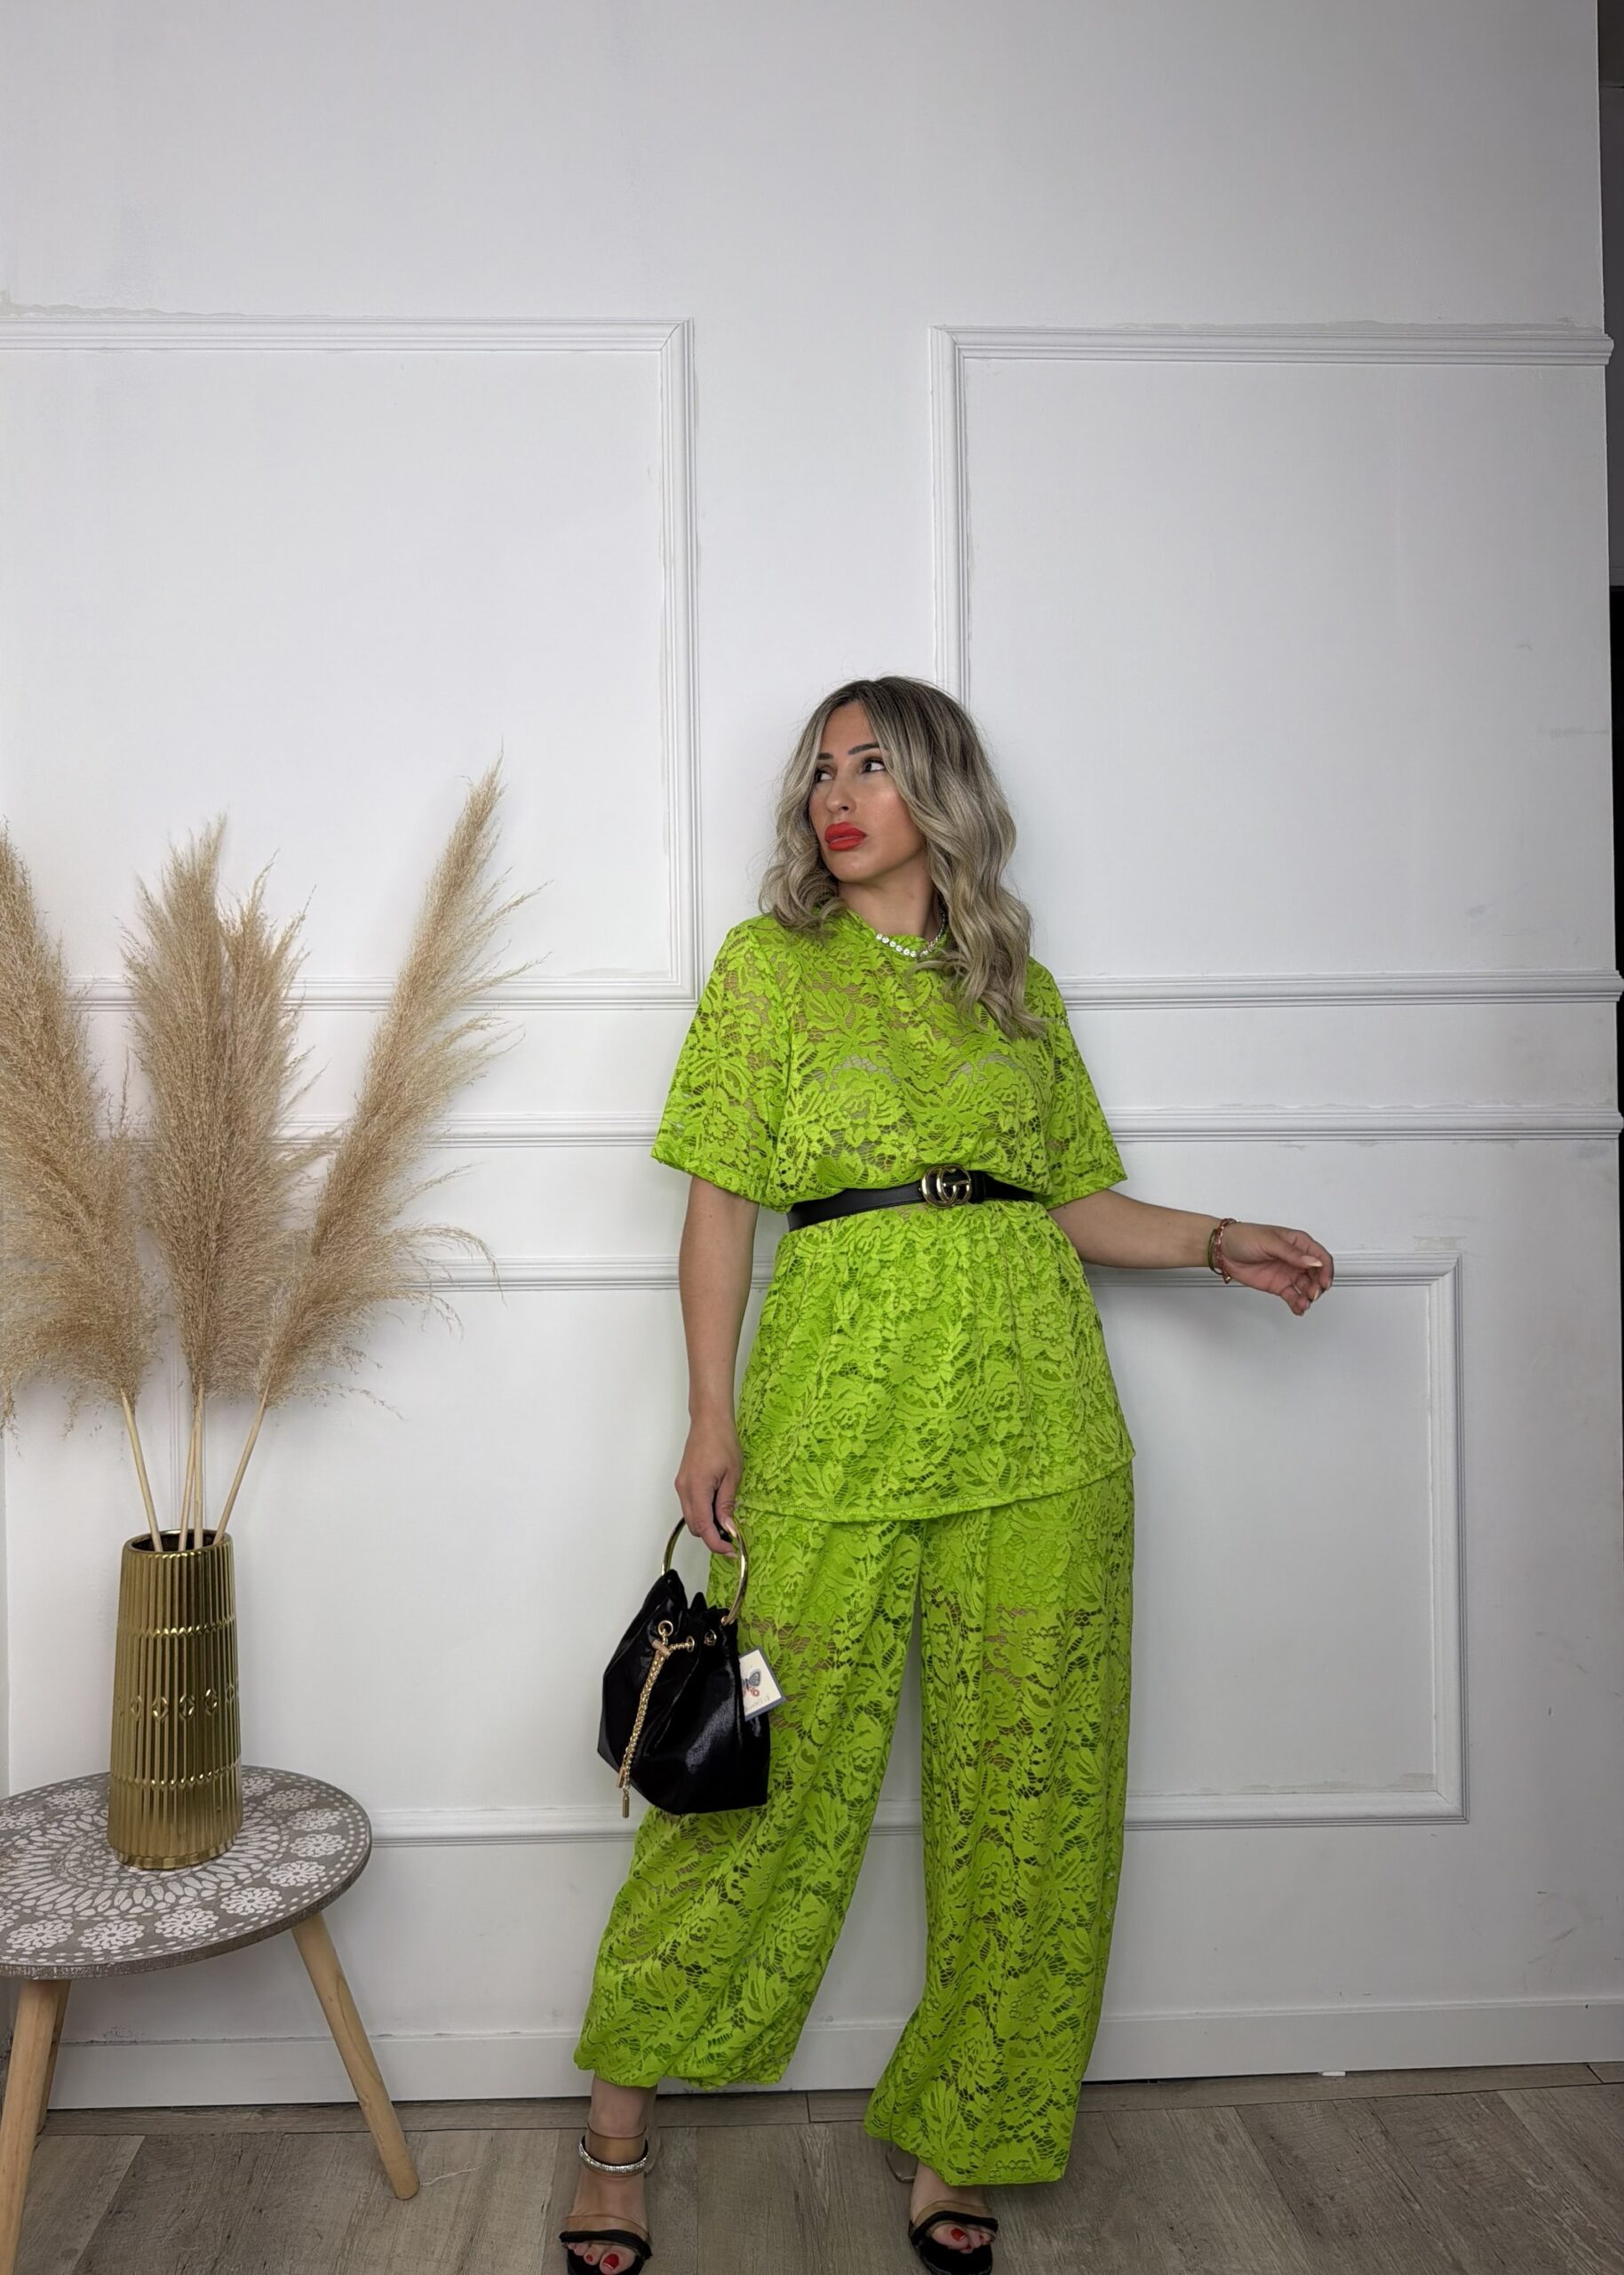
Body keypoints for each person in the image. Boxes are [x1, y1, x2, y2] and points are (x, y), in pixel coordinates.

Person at [559, 676, 1333, 2274]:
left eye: (873, 767)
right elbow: (719, 1210)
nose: (837, 797)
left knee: (1031, 1796)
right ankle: (614, 2134)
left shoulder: (1014, 985)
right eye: (821, 771)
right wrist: (710, 1417)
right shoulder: (768, 969)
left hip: (1041, 1428)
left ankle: (962, 2134)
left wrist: (1215, 1240)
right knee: (758, 1775)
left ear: (939, 793)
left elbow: (1070, 1203)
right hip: (834, 1424)